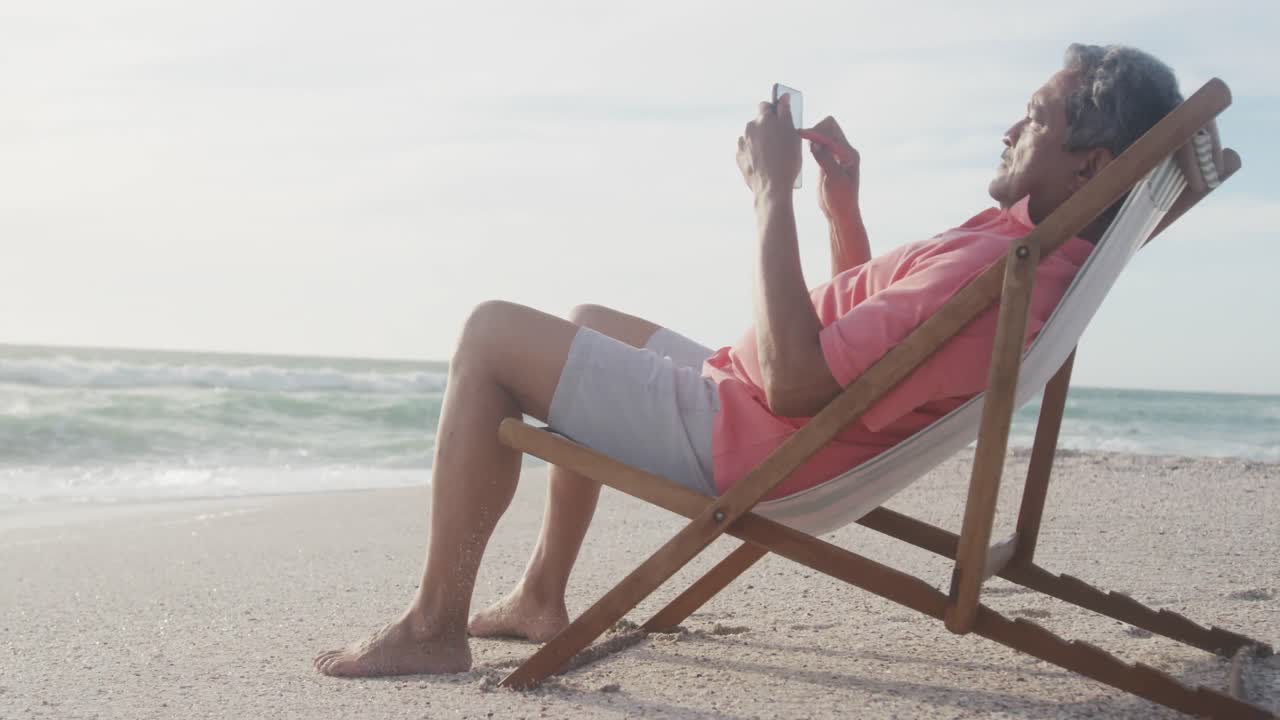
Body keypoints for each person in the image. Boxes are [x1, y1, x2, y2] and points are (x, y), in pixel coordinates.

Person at [314, 44, 1184, 677]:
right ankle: (542, 594)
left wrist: (773, 196)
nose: (1008, 128)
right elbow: (878, 356)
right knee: (587, 321)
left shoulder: (999, 269)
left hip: (757, 439)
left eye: (1036, 117)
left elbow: (803, 385)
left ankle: (435, 623)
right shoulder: (1029, 254)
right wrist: (841, 207)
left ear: (1090, 165)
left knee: (489, 333)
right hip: (763, 410)